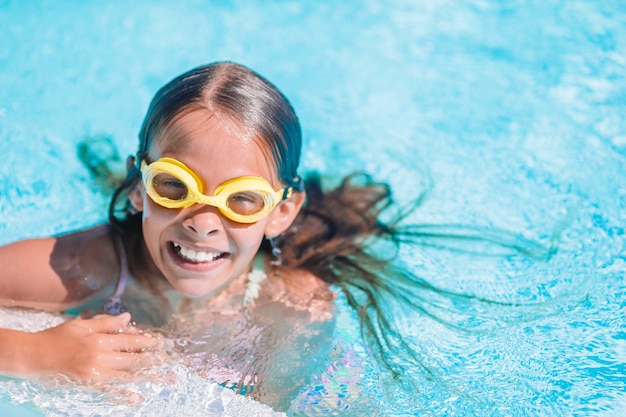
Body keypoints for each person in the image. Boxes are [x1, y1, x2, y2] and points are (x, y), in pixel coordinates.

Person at [0, 61, 552, 408]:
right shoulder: (85, 266)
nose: (203, 220)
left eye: (241, 200)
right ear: (140, 187)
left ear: (282, 213)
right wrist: (36, 353)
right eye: (175, 186)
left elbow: (277, 404)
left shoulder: (293, 305)